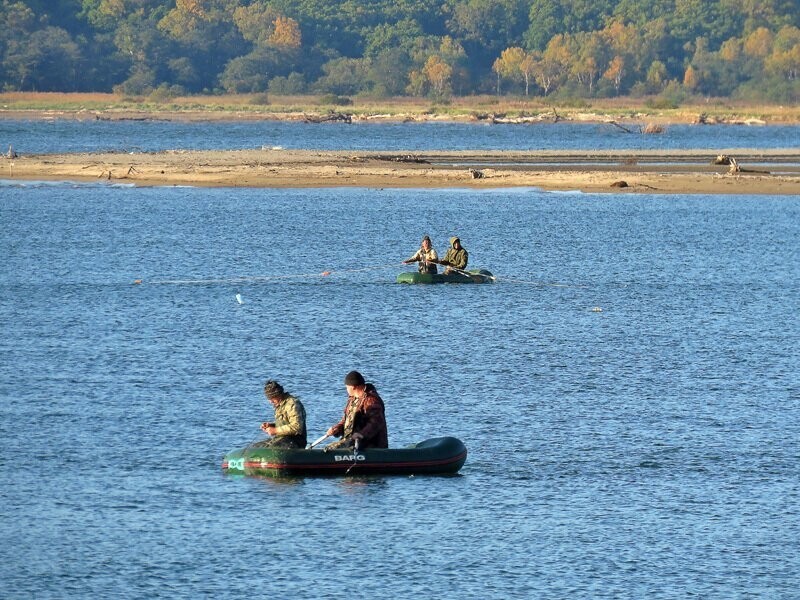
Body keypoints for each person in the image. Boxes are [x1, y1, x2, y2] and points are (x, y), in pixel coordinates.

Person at [325, 370, 388, 450]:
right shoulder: (352, 400)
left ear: (353, 386)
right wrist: (336, 429)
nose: (346, 389)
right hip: (351, 442)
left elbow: (376, 422)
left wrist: (361, 434)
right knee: (329, 448)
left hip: (369, 446)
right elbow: (345, 421)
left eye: (347, 387)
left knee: (333, 449)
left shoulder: (371, 400)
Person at [253, 379, 307, 448]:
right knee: (256, 447)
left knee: (272, 448)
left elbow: (296, 427)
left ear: (278, 395)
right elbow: (286, 423)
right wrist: (272, 425)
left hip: (295, 441)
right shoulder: (279, 404)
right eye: (269, 399)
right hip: (281, 439)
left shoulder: (292, 404)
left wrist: (275, 430)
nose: (270, 401)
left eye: (272, 398)